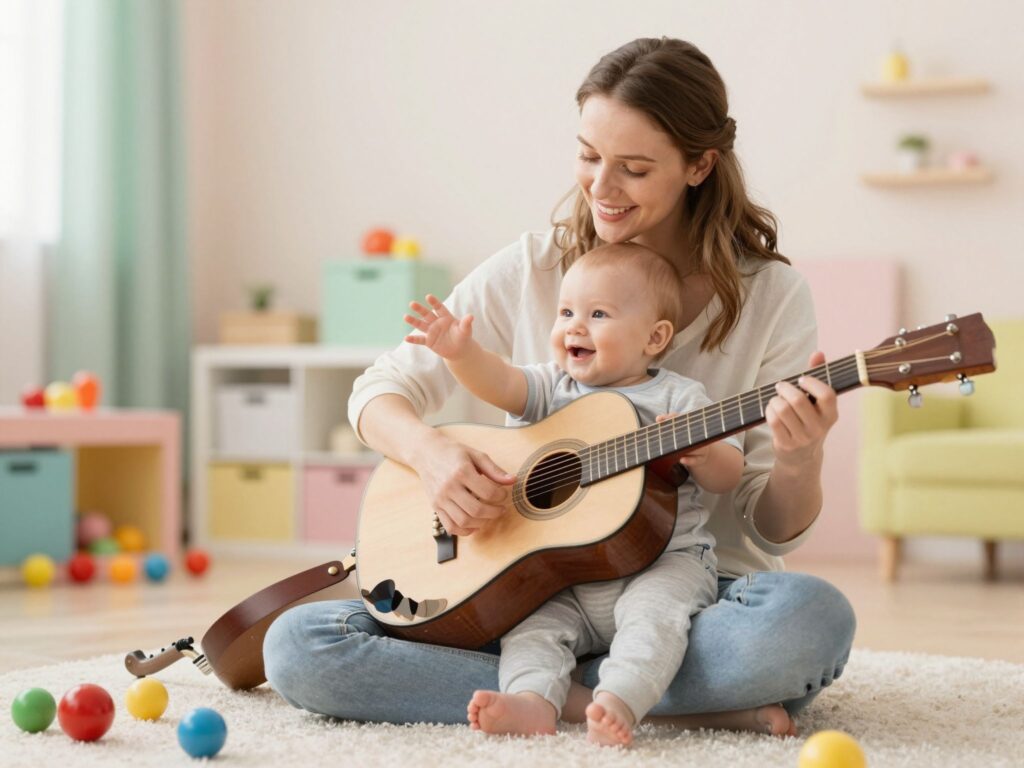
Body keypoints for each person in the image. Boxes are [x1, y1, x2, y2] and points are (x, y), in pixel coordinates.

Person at [264, 36, 855, 737]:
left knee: (810, 619)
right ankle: (643, 702)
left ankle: (560, 693)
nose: (601, 188)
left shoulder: (774, 297)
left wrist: (800, 457)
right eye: (587, 156)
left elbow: (768, 524)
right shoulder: (535, 268)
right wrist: (432, 455)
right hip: (527, 592)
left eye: (633, 169)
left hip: (693, 597)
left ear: (700, 165)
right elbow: (380, 391)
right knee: (302, 647)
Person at [403, 243, 743, 746]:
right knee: (529, 629)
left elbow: (729, 471)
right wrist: (461, 354)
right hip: (561, 578)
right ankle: (533, 702)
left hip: (663, 564)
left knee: (655, 621)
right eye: (566, 313)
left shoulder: (679, 397)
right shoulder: (553, 385)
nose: (574, 327)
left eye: (598, 314)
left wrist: (704, 453)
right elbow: (500, 383)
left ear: (656, 337)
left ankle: (620, 701)